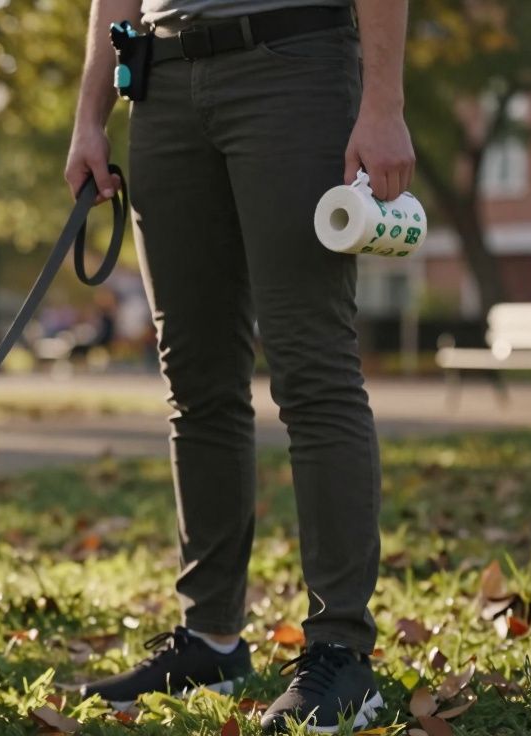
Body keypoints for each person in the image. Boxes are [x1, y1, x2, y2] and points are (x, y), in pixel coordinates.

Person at [64, 0, 414, 732]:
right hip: (161, 80)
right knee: (195, 383)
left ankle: (341, 651)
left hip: (293, 61)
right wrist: (90, 112)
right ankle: (211, 640)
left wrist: (383, 103)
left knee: (311, 372)